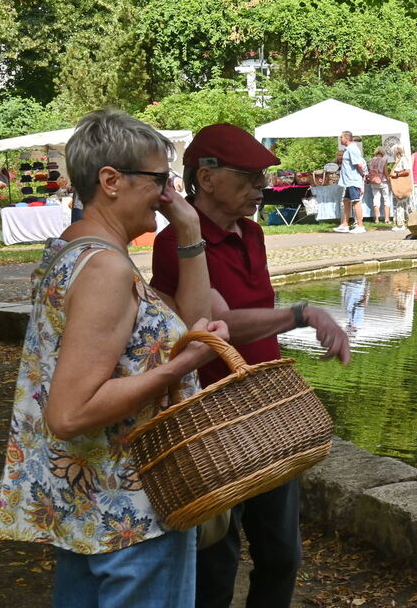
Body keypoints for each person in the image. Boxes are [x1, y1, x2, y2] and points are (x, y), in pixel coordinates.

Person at [0, 108, 226, 607]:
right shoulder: (105, 270)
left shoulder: (73, 252)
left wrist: (188, 230)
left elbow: (191, 323)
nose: (170, 195)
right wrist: (178, 368)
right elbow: (71, 412)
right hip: (133, 513)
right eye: (161, 181)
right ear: (111, 180)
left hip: (88, 511)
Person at [151, 123, 350, 608]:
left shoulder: (254, 233)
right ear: (208, 176)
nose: (261, 189)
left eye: (263, 178)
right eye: (250, 178)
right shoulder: (176, 241)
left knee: (282, 554)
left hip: (266, 411)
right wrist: (303, 314)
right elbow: (215, 321)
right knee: (217, 559)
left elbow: (254, 310)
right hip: (211, 419)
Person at [334, 132, 367, 233]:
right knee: (346, 201)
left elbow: (359, 165)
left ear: (346, 138)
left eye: (341, 137)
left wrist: (362, 175)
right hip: (348, 181)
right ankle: (345, 224)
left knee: (356, 201)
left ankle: (360, 226)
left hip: (353, 180)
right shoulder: (348, 149)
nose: (340, 139)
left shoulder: (352, 149)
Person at [388, 143, 414, 229]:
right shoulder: (400, 160)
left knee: (401, 205)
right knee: (402, 205)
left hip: (402, 187)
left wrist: (397, 175)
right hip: (401, 187)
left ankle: (402, 224)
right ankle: (403, 223)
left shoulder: (403, 160)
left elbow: (407, 171)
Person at [365, 146, 390, 223]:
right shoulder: (384, 160)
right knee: (386, 199)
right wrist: (389, 179)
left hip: (374, 182)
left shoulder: (371, 160)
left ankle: (376, 219)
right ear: (383, 153)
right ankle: (386, 219)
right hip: (383, 181)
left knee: (376, 199)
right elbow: (385, 172)